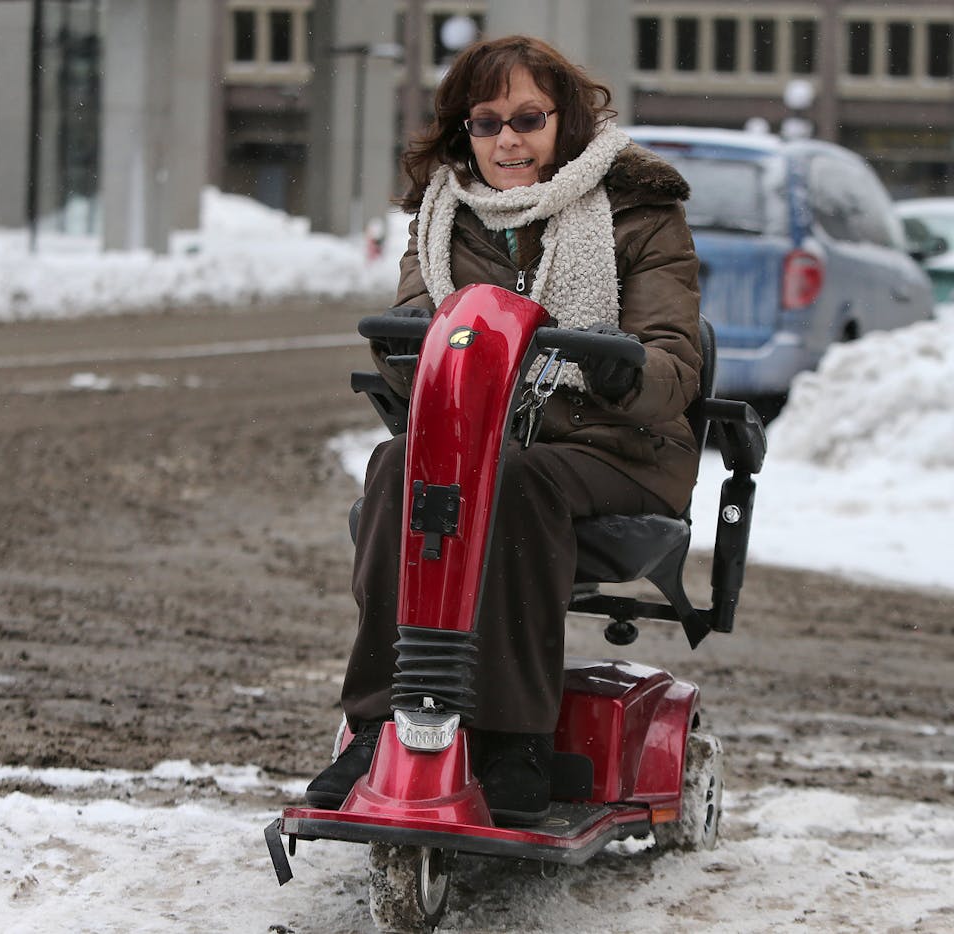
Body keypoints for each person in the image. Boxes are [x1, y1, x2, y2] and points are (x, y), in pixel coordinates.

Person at [305, 35, 702, 825]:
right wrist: (403, 349)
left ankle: (516, 736)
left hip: (615, 445)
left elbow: (676, 365)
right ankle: (383, 723)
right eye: (487, 124)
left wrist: (625, 368)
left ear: (568, 123)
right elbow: (418, 331)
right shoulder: (442, 221)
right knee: (398, 464)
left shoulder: (639, 216)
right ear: (463, 133)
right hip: (484, 440)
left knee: (515, 479)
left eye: (528, 118)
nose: (508, 141)